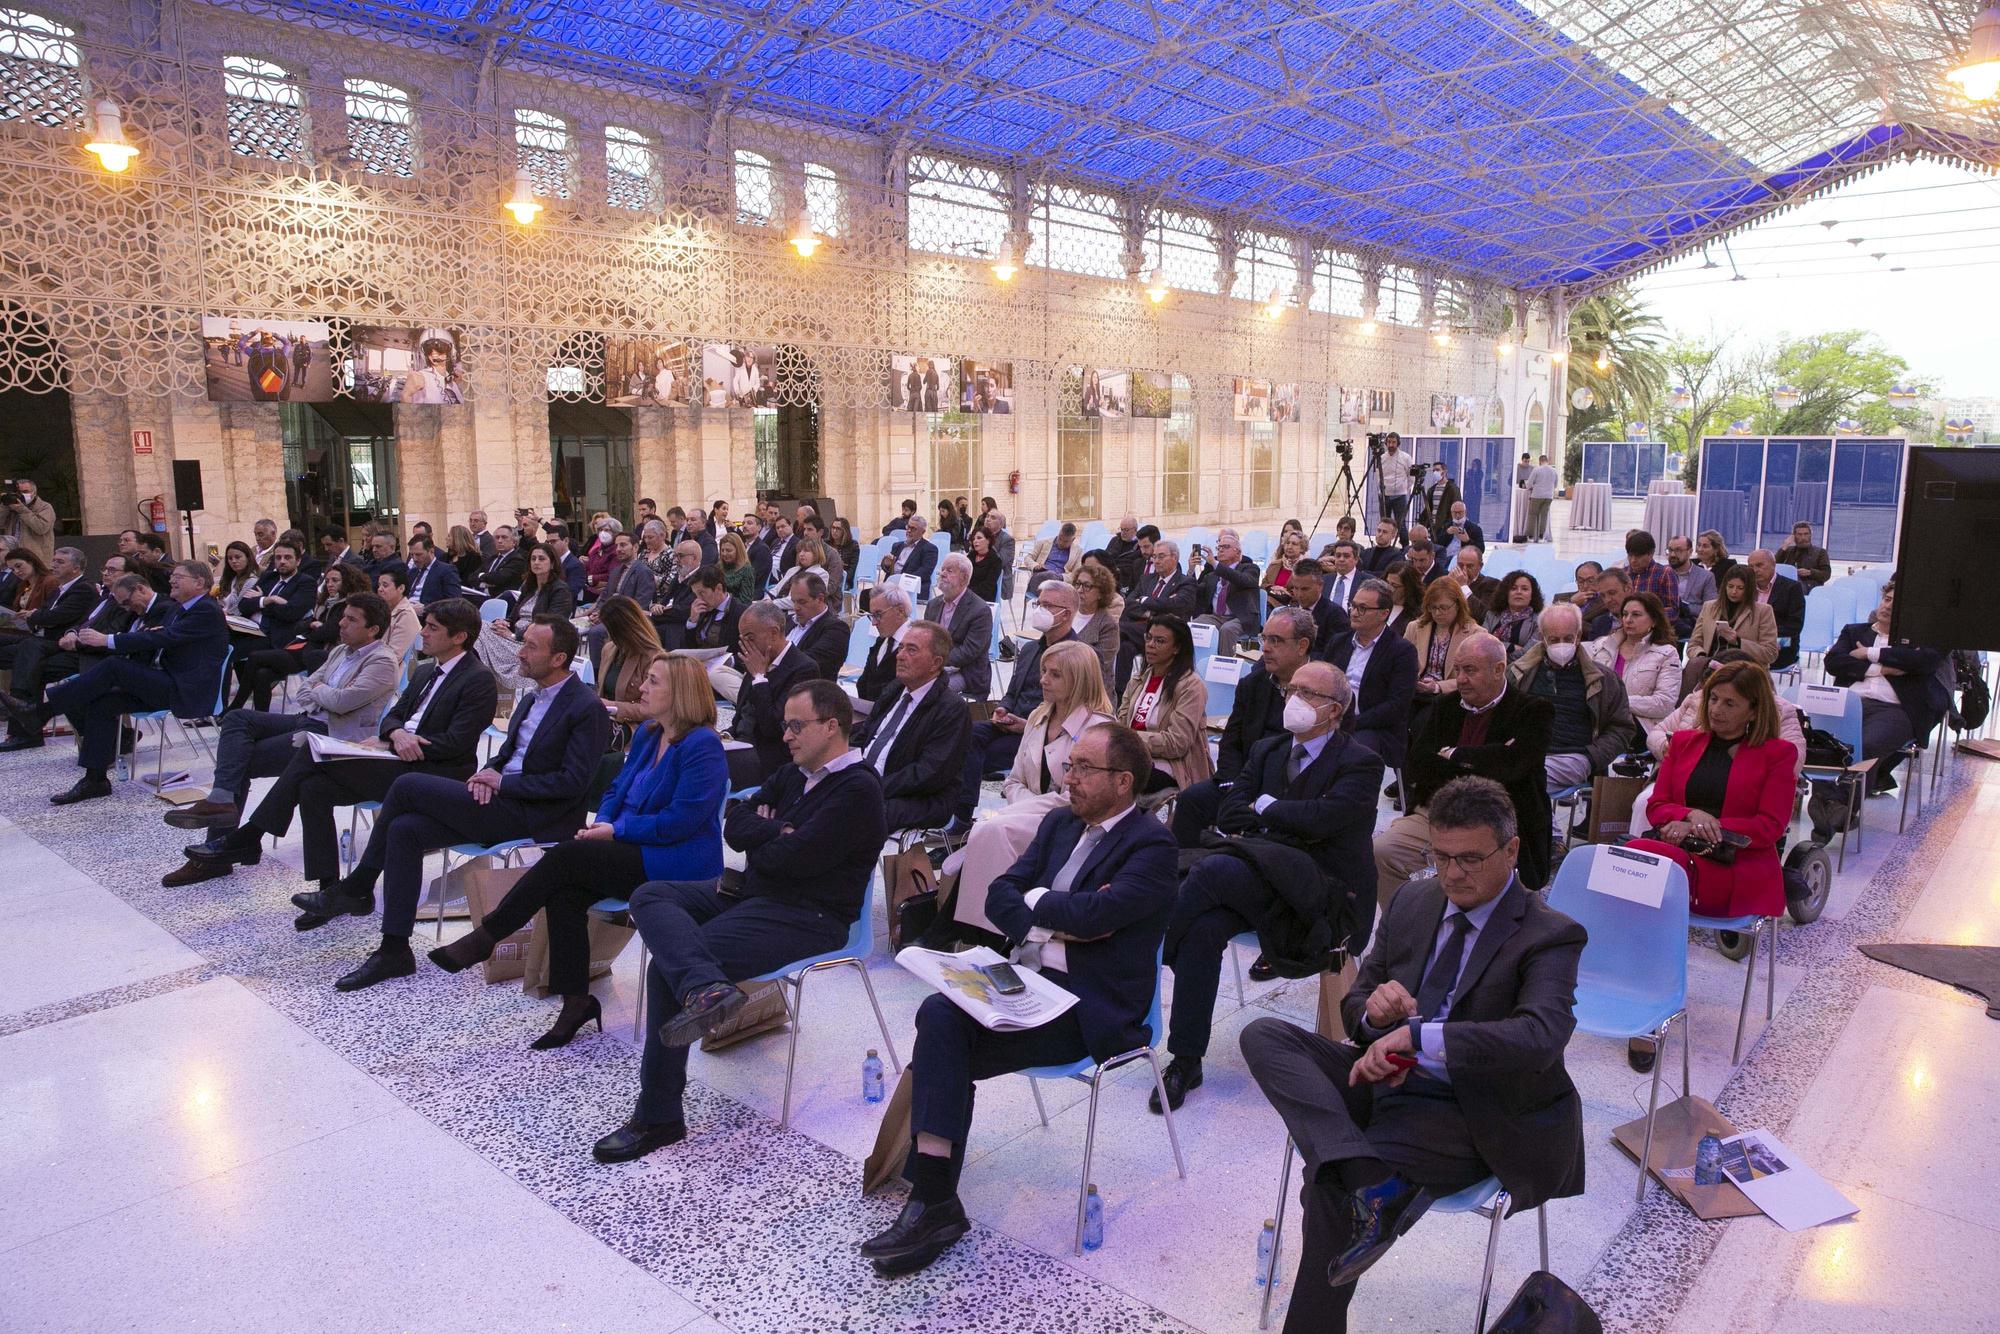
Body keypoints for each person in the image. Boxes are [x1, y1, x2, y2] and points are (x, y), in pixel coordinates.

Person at [1242, 775, 1586, 1332]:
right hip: (1390, 1080)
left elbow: (1540, 1037)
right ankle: (1370, 1178)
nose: (1453, 874)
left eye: (1471, 859)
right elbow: (1358, 1003)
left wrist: (1421, 1037)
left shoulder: (1549, 933)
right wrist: (1373, 1017)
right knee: (1264, 1036)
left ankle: (1354, 1190)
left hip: (1472, 1108)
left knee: (1325, 1187)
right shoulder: (1415, 899)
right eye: (1442, 856)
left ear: (1512, 849)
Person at [862, 721, 1176, 1275]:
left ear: (1123, 782)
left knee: (944, 1039)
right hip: (1024, 985)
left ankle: (933, 1198)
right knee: (940, 1012)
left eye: (1082, 768)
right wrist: (1053, 918)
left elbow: (1099, 916)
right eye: (1069, 764)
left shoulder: (1151, 846)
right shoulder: (1058, 824)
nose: (1067, 777)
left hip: (1089, 1007)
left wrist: (1044, 910)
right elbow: (1001, 894)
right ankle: (935, 1197)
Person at [592, 680, 886, 1164]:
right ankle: (706, 985)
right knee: (651, 894)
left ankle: (659, 1115)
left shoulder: (858, 789)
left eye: (796, 725)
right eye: (785, 726)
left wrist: (770, 837)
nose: (786, 736)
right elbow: (736, 819)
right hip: (754, 894)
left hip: (807, 916)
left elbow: (791, 859)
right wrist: (776, 830)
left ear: (832, 726)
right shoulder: (795, 774)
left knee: (666, 969)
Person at [295, 618, 613, 992]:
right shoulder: (531, 697)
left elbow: (573, 783)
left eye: (531, 647)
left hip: (535, 814)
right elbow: (507, 756)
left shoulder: (586, 707)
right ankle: (394, 949)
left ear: (559, 657)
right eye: (522, 643)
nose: (520, 653)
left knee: (408, 784)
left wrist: (503, 783)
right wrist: (486, 774)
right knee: (405, 829)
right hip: (501, 798)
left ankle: (358, 885)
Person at [432, 652, 729, 1040]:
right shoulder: (649, 733)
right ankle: (576, 1001)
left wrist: (616, 831)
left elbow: (682, 821)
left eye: (653, 681)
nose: (642, 688)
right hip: (633, 846)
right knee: (565, 891)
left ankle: (489, 935)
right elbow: (617, 788)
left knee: (568, 855)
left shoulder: (702, 746)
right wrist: (605, 821)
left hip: (680, 862)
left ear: (681, 693)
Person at [1159, 664, 1383, 1109]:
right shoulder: (1267, 749)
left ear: (1334, 710)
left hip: (1321, 891)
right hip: (1261, 876)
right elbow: (1230, 814)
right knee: (1204, 929)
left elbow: (1326, 821)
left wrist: (1266, 810)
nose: (1293, 697)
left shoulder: (1361, 761)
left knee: (1211, 872)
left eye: (1307, 692)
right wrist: (1278, 815)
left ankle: (1153, 949)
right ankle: (1186, 1057)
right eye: (1292, 688)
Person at [179, 600, 499, 904]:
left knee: (309, 755)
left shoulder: (478, 679)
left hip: (434, 769)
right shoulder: (427, 670)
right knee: (312, 787)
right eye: (425, 625)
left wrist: (395, 742)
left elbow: (457, 743)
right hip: (396, 755)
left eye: (432, 628)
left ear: (458, 637)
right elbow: (392, 716)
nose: (422, 633)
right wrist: (396, 733)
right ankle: (329, 887)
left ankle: (248, 836)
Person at [159, 593, 400, 853]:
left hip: (333, 736)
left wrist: (320, 691)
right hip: (307, 720)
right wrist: (323, 692)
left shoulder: (382, 661)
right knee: (237, 717)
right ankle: (222, 806)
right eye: (343, 617)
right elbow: (305, 689)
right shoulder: (341, 651)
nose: (341, 624)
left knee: (240, 761)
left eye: (351, 620)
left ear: (373, 629)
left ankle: (220, 847)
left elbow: (341, 702)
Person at [2, 560, 229, 805]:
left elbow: (166, 636)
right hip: (164, 679)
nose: (172, 580)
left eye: (179, 576)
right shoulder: (179, 608)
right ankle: (95, 779)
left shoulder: (206, 609)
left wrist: (107, 641)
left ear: (200, 582)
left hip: (185, 689)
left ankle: (41, 712)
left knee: (113, 666)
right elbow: (156, 636)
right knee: (103, 702)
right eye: (172, 575)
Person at [941, 640, 1116, 933]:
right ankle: (969, 926)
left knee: (990, 831)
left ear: (1079, 679)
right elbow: (1013, 781)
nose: (1042, 680)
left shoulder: (1098, 729)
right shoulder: (1038, 717)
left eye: (1054, 674)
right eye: (1043, 671)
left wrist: (1025, 809)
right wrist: (1024, 808)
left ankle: (971, 928)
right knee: (991, 831)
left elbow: (1074, 798)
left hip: (1072, 822)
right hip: (1027, 813)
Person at [1372, 634, 1553, 906]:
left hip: (1500, 820)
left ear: (1498, 669)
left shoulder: (1533, 711)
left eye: (1470, 670)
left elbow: (1513, 768)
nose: (1460, 679)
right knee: (1383, 852)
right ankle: (1403, 931)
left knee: (1480, 879)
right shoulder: (1444, 706)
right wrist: (1487, 760)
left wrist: (1453, 754)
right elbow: (1417, 766)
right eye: (1457, 670)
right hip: (1436, 812)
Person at [1629, 660, 1797, 920]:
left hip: (1733, 865)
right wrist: (1691, 815)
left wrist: (1702, 828)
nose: (1716, 710)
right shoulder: (1683, 742)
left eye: (1730, 703)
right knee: (1628, 862)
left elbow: (1769, 826)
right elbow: (1657, 805)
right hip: (1680, 852)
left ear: (1753, 711)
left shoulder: (1778, 754)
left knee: (1642, 860)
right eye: (1714, 699)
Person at [1812, 579, 1947, 835]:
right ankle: (1835, 807)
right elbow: (1835, 663)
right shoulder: (1854, 632)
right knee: (1823, 741)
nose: (1887, 607)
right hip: (1849, 705)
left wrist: (1869, 654)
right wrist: (1884, 668)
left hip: (1895, 710)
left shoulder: (1916, 640)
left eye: (1896, 605)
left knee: (1868, 744)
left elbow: (1923, 662)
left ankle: (1836, 804)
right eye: (1887, 600)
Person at [1170, 605, 1313, 846]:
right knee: (1191, 800)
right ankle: (1182, 871)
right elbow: (1231, 742)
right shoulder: (1252, 684)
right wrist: (1234, 785)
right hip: (1245, 781)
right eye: (1264, 638)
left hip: (1294, 791)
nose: (1265, 648)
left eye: (1275, 641)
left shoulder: (1324, 689)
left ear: (1302, 646)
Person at [950, 581, 1080, 831]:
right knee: (965, 733)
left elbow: (1073, 708)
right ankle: (961, 817)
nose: (1040, 610)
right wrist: (1004, 709)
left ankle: (969, 821)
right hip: (1012, 721)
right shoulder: (1031, 649)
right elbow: (1011, 692)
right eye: (1038, 603)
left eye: (1047, 605)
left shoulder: (1077, 655)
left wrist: (1027, 725)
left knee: (974, 756)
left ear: (1066, 613)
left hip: (1044, 733)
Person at [850, 619, 970, 833]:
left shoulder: (951, 710)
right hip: (868, 781)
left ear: (935, 663)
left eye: (911, 650)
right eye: (901, 647)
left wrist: (871, 786)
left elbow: (928, 774)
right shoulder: (895, 690)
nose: (900, 655)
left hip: (918, 798)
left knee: (854, 814)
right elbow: (865, 734)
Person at [1510, 604, 1636, 797]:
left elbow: (1622, 728)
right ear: (1542, 637)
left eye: (1568, 638)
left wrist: (1592, 757)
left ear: (1578, 636)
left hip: (1574, 757)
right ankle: (1550, 827)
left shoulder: (1603, 679)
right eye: (1553, 639)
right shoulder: (1518, 673)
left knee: (1527, 780)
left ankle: (1547, 828)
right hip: (1525, 752)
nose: (1561, 645)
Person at [1323, 579, 1419, 768]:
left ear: (1384, 614)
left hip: (1375, 728)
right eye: (1353, 606)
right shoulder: (1338, 642)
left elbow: (1396, 706)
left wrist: (1350, 722)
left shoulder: (1401, 651)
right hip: (1330, 718)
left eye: (1363, 608)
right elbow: (1323, 682)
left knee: (1351, 749)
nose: (1354, 612)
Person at [724, 600, 820, 784]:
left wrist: (760, 678)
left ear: (773, 633)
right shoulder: (756, 659)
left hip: (767, 757)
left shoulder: (803, 669)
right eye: (742, 638)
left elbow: (773, 728)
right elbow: (743, 717)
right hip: (740, 746)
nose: (744, 645)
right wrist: (725, 736)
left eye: (750, 638)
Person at [1117, 614, 1211, 793]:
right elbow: (1121, 724)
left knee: (1111, 777)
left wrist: (1131, 739)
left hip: (1171, 764)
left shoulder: (1191, 685)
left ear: (1177, 648)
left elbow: (1177, 743)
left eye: (1160, 641)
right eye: (1149, 638)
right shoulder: (1137, 680)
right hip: (1130, 755)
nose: (1151, 645)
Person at [1588, 592, 1682, 748]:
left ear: (1653, 620)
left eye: (1636, 615)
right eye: (1625, 614)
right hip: (1599, 717)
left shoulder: (1667, 653)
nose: (1628, 620)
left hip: (1640, 723)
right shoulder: (1602, 645)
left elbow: (1664, 703)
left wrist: (1619, 702)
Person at [1117, 539, 1197, 695]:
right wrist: (1154, 609)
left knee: (1118, 628)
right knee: (1126, 648)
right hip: (1138, 632)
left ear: (1174, 557)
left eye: (1161, 556)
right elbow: (1129, 603)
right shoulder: (1146, 579)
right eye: (1154, 557)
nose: (1156, 561)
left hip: (1165, 632)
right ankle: (1122, 693)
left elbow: (1178, 605)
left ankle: (1115, 630)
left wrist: (1146, 601)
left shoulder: (1185, 582)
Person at [0, 545, 92, 677]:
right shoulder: (25, 585)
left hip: (46, 635)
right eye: (53, 561)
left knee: (25, 651)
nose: (16, 571)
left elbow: (56, 615)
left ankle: (20, 696)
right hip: (28, 629)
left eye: (19, 566)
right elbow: (45, 610)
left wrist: (32, 615)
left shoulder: (54, 583)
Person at [1684, 565, 1778, 691]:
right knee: (1694, 665)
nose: (1734, 592)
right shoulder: (1709, 607)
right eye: (1730, 586)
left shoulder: (1763, 611)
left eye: (1740, 588)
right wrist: (1701, 656)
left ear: (1749, 589)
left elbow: (1770, 653)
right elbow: (1693, 644)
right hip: (1710, 666)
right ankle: (1686, 707)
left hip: (1744, 671)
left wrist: (1738, 642)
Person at [1404, 576, 1478, 735]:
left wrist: (1438, 687)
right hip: (1414, 692)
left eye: (1444, 608)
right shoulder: (1415, 627)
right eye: (1433, 607)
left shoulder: (1474, 633)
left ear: (1458, 605)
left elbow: (1474, 678)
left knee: (1420, 726)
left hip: (1450, 697)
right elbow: (1401, 663)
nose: (1437, 613)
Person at [924, 552, 993, 699]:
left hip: (966, 672)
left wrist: (935, 661)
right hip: (936, 666)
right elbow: (926, 638)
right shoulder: (933, 605)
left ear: (964, 578)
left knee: (930, 690)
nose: (943, 574)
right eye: (942, 569)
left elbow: (969, 652)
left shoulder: (980, 610)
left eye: (949, 571)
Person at [595, 594, 664, 728]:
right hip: (604, 718)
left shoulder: (653, 659)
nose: (608, 635)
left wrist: (614, 706)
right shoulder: (609, 650)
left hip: (632, 726)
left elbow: (653, 711)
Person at [1190, 529, 1262, 657]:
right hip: (1216, 617)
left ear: (1238, 552)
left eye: (1226, 547)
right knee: (1193, 625)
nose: (1220, 550)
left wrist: (1215, 564)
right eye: (1219, 547)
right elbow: (1195, 591)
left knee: (1227, 629)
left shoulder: (1250, 569)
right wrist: (1190, 571)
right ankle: (1199, 663)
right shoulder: (1212, 575)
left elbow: (1242, 580)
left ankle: (1225, 668)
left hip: (1240, 618)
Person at [1744, 548, 1806, 672]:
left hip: (1781, 641)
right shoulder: (1745, 587)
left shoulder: (1792, 588)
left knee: (1749, 661)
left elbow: (1795, 626)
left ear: (1773, 565)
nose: (1755, 570)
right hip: (1749, 642)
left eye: (1759, 565)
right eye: (1751, 566)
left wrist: (1764, 637)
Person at [1067, 561, 1121, 693]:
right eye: (1078, 584)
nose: (1079, 590)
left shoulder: (1108, 625)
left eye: (1087, 586)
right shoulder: (1066, 613)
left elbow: (1098, 667)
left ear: (1101, 593)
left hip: (1092, 693)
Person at [782, 572, 849, 680]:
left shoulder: (836, 630)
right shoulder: (787, 621)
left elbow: (808, 665)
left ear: (820, 599)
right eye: (794, 602)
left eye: (802, 602)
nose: (796, 607)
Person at [856, 584, 913, 707]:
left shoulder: (916, 646)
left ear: (900, 611)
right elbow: (864, 682)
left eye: (878, 614)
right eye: (872, 616)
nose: (874, 623)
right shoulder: (882, 641)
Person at [874, 513, 938, 602]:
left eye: (913, 529)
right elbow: (887, 569)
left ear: (922, 532)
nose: (909, 531)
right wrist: (887, 564)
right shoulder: (897, 546)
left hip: (911, 588)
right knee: (866, 595)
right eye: (908, 527)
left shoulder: (929, 549)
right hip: (891, 586)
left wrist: (901, 581)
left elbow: (925, 572)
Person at [1483, 570, 1543, 661]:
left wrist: (1494, 651)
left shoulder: (1539, 621)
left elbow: (1528, 655)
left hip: (1520, 671)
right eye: (1513, 588)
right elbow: (1482, 643)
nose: (1519, 592)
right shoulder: (1492, 615)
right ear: (1506, 593)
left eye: (1524, 589)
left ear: (1532, 595)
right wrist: (1511, 647)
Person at [0, 476, 57, 565]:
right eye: (18, 492)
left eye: (25, 492)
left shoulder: (45, 507)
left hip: (36, 560)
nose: (21, 495)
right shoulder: (10, 508)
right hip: (12, 559)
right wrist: (5, 505)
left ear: (34, 492)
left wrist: (22, 510)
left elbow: (41, 528)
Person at [373, 567, 422, 663]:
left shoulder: (406, 616)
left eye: (385, 585)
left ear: (401, 588)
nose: (380, 589)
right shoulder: (383, 610)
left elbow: (392, 657)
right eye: (379, 585)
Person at [1446, 545, 1500, 623]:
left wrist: (1463, 587)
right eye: (1460, 565)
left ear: (1480, 566)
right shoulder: (1450, 580)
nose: (1464, 570)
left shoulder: (1492, 584)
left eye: (1469, 566)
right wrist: (1447, 585)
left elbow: (1484, 616)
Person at [1023, 522, 1077, 598]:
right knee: (1049, 574)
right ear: (1059, 533)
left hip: (1061, 583)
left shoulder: (1078, 551)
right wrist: (1035, 566)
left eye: (1065, 541)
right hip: (1040, 579)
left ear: (1073, 540)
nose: (1061, 542)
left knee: (1053, 578)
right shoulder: (1043, 543)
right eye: (1060, 538)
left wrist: (1061, 577)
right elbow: (1028, 558)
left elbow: (1077, 573)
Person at [472, 524, 528, 597]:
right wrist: (484, 583)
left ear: (514, 542)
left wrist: (481, 576)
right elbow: (472, 577)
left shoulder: (517, 560)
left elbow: (498, 578)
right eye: (497, 537)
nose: (499, 541)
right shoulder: (492, 558)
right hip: (481, 595)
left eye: (504, 537)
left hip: (500, 600)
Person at [1776, 521, 1832, 591]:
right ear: (1794, 536)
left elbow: (1826, 574)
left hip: (1811, 588)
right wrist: (1784, 546)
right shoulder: (1788, 551)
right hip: (1789, 587)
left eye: (1806, 534)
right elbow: (1773, 566)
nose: (1803, 537)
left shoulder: (1820, 552)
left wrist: (1810, 572)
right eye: (1799, 534)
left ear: (1810, 535)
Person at [1377, 434, 1412, 540]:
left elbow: (1411, 476)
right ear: (1386, 443)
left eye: (1393, 442)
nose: (1391, 445)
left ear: (1398, 443)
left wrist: (1404, 488)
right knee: (1384, 524)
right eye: (1389, 442)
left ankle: (1404, 546)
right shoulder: (1381, 458)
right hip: (1384, 496)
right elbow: (1378, 476)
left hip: (1399, 496)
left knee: (1400, 524)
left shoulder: (1405, 457)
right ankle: (1384, 543)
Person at [214, 541, 260, 616]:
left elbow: (239, 608)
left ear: (248, 558)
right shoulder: (230, 578)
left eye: (237, 557)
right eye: (230, 558)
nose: (234, 561)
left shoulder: (252, 581)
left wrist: (223, 614)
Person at [1103, 514, 1146, 592]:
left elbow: (1135, 567)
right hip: (1108, 574)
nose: (1123, 532)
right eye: (1121, 529)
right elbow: (1105, 557)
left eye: (1126, 530)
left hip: (1125, 580)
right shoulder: (1115, 540)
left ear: (1135, 530)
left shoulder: (1140, 545)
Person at [1434, 501, 1484, 566]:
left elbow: (1481, 550)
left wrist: (1467, 540)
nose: (1457, 515)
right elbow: (1437, 545)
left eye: (1460, 512)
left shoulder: (1475, 529)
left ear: (1465, 512)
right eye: (1455, 513)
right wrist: (1447, 534)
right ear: (1451, 513)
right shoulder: (1445, 526)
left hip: (1464, 560)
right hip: (1446, 559)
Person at [1416, 461, 1460, 533]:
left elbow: (1456, 507)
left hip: (1445, 527)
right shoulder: (1431, 490)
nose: (1435, 472)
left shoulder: (1453, 489)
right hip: (1433, 527)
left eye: (1437, 470)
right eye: (1433, 470)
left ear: (1444, 472)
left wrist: (1449, 524)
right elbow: (1428, 508)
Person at [964, 526, 1003, 603]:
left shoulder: (995, 560)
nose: (975, 541)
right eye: (973, 539)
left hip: (984, 599)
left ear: (988, 540)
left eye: (979, 538)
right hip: (966, 595)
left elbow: (988, 586)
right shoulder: (970, 556)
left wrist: (966, 592)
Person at [1526, 453, 1559, 540]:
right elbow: (1555, 485)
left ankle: (1531, 535)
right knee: (1544, 515)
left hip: (1537, 495)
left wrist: (1530, 487)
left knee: (1532, 514)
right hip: (1548, 496)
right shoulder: (1554, 471)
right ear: (1547, 461)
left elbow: (1529, 484)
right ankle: (1541, 534)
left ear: (1540, 461)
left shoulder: (1536, 470)